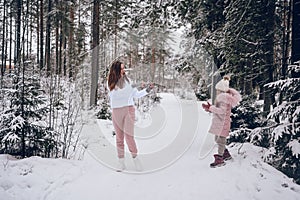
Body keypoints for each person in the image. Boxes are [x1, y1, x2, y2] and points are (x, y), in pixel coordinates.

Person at [107, 60, 152, 172]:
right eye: (121, 69)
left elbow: (136, 94)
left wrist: (147, 90)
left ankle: (136, 159)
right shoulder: (110, 83)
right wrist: (132, 86)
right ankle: (121, 162)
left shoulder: (128, 81)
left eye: (124, 68)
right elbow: (117, 94)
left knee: (129, 136)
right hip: (116, 111)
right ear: (116, 70)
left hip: (128, 109)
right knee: (119, 138)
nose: (124, 70)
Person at [202, 75, 241, 168]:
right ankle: (225, 154)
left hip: (223, 123)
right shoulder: (223, 98)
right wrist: (210, 108)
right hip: (220, 122)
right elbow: (219, 109)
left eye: (218, 90)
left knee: (221, 141)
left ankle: (220, 158)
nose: (217, 91)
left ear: (222, 90)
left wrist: (211, 108)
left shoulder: (223, 98)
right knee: (217, 139)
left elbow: (222, 111)